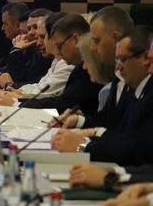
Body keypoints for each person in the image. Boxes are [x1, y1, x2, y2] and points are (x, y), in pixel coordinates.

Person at [51, 27, 153, 164]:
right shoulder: (134, 83)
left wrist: (84, 145)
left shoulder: (142, 88)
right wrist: (81, 123)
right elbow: (118, 132)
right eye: (118, 60)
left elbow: (138, 148)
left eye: (123, 59)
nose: (118, 67)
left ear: (146, 58)